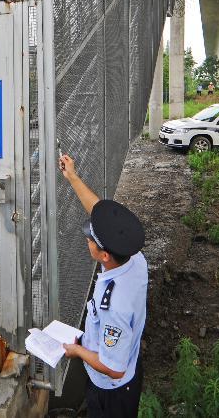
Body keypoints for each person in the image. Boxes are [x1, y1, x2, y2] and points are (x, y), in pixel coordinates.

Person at [58, 154, 148, 418]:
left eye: (90, 240)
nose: (87, 241)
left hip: (112, 390)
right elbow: (101, 214)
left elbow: (114, 367)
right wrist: (72, 176)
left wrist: (78, 350)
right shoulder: (134, 259)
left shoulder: (115, 307)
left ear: (104, 255)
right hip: (126, 369)